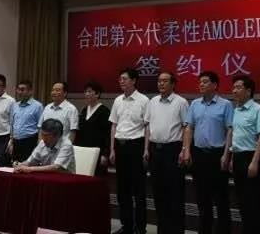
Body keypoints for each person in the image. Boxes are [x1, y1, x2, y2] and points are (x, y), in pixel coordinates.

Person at [182, 71, 233, 234]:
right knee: (202, 198)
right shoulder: (195, 104)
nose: (201, 84)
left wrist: (226, 154)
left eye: (205, 82)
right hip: (199, 155)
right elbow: (189, 128)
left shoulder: (225, 104)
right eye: (200, 82)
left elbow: (230, 130)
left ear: (215, 85)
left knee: (221, 198)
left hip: (217, 155)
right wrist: (186, 150)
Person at [144, 72, 188, 234]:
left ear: (173, 84)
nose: (161, 84)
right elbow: (148, 127)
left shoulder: (181, 102)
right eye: (159, 81)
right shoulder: (152, 102)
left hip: (173, 150)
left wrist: (184, 150)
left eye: (165, 81)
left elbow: (186, 127)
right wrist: (146, 148)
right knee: (158, 193)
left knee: (175, 193)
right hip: (155, 151)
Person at [109, 68, 149, 234]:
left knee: (138, 190)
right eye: (120, 79)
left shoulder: (144, 100)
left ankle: (140, 227)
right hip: (120, 146)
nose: (121, 81)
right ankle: (126, 226)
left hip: (136, 146)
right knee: (122, 189)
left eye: (124, 79)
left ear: (134, 80)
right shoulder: (118, 100)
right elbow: (114, 125)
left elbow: (147, 127)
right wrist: (112, 149)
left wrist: (146, 149)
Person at [227, 76, 260, 234]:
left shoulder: (258, 110)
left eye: (238, 87)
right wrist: (232, 157)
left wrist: (255, 162)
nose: (234, 91)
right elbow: (236, 135)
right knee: (242, 201)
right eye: (233, 87)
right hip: (238, 157)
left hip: (251, 158)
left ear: (249, 91)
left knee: (255, 202)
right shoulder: (236, 109)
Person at [75, 80, 111, 176]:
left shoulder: (104, 111)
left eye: (90, 91)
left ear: (97, 94)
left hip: (97, 152)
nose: (87, 94)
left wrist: (105, 154)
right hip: (83, 151)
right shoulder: (84, 110)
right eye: (85, 91)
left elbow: (107, 134)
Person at [9, 79, 43, 163]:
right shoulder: (15, 105)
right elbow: (12, 124)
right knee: (15, 165)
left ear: (30, 91)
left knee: (27, 167)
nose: (19, 92)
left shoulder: (38, 106)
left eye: (22, 89)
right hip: (16, 142)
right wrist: (11, 142)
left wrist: (39, 145)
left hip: (30, 142)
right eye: (18, 89)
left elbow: (40, 127)